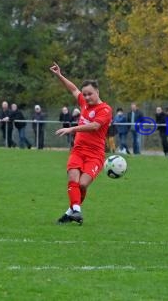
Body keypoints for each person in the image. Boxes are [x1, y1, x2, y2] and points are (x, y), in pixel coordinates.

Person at [50, 62, 112, 225]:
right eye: (84, 94)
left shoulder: (105, 109)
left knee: (83, 184)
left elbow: (94, 126)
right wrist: (59, 75)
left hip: (95, 154)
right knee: (73, 178)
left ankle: (71, 212)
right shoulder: (84, 103)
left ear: (97, 92)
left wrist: (72, 129)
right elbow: (73, 89)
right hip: (78, 150)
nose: (86, 97)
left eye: (90, 94)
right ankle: (76, 210)